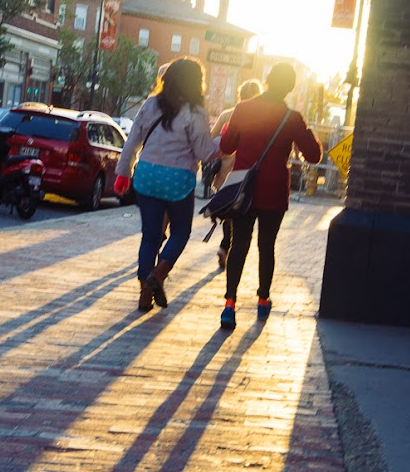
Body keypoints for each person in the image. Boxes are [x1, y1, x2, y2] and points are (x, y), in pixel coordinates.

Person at [218, 62, 322, 330]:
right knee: (267, 246)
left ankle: (229, 304)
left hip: (244, 190)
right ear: (289, 88)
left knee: (239, 243)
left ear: (267, 80)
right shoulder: (293, 118)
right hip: (274, 190)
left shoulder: (243, 109)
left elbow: (227, 146)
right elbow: (314, 156)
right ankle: (263, 300)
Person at [113, 57, 219, 312]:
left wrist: (123, 172)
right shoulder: (195, 112)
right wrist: (223, 143)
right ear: (197, 83)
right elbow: (205, 152)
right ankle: (158, 275)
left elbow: (132, 141)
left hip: (147, 176)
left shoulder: (150, 104)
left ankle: (144, 294)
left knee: (150, 236)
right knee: (180, 232)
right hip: (178, 180)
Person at [209, 78, 263, 270]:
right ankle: (225, 246)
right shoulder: (259, 118)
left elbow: (212, 138)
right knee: (236, 212)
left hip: (225, 168)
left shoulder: (226, 115)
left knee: (228, 209)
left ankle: (225, 246)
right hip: (244, 169)